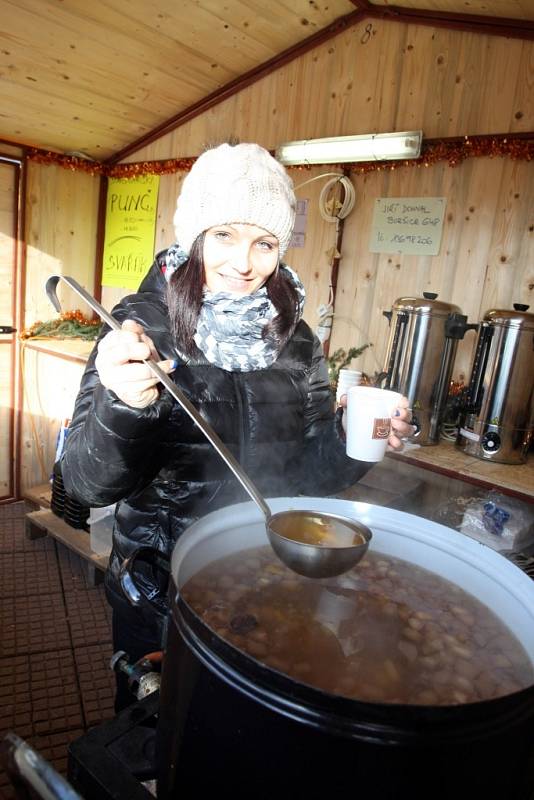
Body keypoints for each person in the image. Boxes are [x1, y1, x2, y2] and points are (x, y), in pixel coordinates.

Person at [61, 142, 413, 710]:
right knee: (156, 737)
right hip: (161, 590)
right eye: (224, 235)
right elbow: (84, 483)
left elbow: (309, 475)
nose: (244, 263)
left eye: (264, 242)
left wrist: (358, 440)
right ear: (193, 235)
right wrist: (122, 403)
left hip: (265, 581)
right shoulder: (140, 328)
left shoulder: (294, 340)